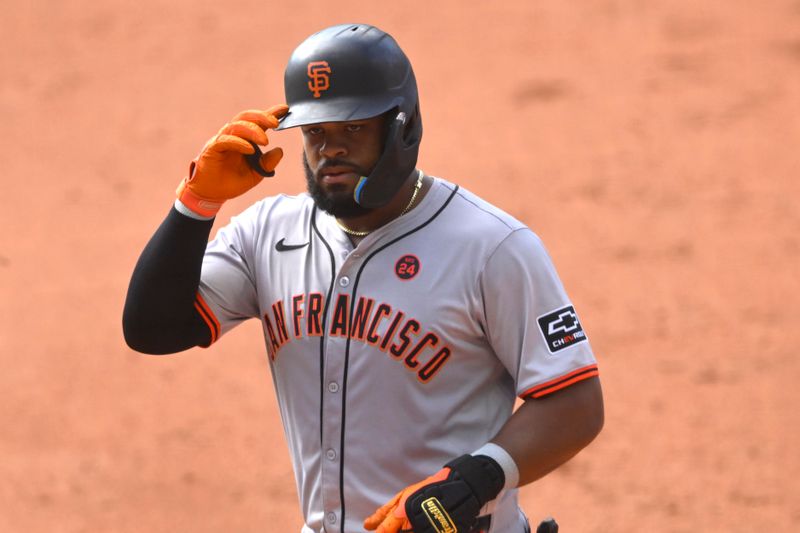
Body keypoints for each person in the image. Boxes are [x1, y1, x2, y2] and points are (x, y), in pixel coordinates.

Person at [123, 23, 604, 533]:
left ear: (403, 128)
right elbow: (154, 329)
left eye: (353, 129)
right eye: (316, 133)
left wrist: (477, 478)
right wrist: (196, 205)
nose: (330, 150)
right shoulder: (268, 234)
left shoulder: (492, 247)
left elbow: (575, 399)